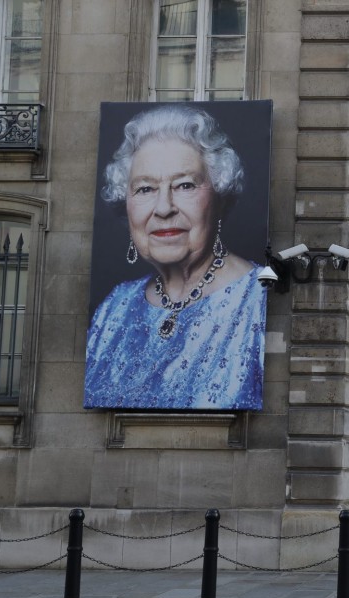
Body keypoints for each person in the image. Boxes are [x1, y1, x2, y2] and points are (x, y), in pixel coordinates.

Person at [85, 104, 267, 410]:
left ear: (219, 195)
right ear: (126, 202)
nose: (164, 207)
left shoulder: (258, 298)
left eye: (184, 185)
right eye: (145, 189)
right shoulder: (113, 308)